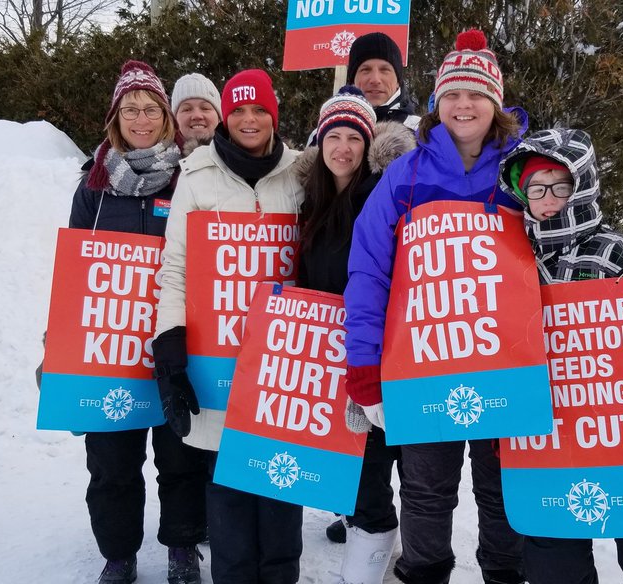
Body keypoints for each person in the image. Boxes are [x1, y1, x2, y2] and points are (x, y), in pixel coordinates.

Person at [342, 30, 528, 584]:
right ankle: (423, 573)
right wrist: (364, 366)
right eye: (452, 95)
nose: (463, 106)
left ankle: (504, 575)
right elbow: (369, 271)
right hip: (424, 363)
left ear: (495, 103)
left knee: (502, 489)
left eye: (475, 95)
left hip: (505, 361)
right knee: (425, 491)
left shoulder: (522, 171)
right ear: (436, 103)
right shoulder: (407, 174)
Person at [497, 128, 623, 584]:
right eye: (535, 188)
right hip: (544, 432)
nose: (548, 199)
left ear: (581, 188)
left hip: (616, 428)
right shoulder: (509, 258)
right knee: (552, 545)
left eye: (558, 186)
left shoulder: (614, 253)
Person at [153, 68, 305, 584]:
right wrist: (170, 344)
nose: (248, 119)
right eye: (238, 110)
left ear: (273, 116)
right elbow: (175, 267)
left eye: (259, 109)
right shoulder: (196, 176)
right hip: (217, 360)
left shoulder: (300, 173)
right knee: (229, 490)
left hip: (283, 360)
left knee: (280, 483)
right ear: (225, 118)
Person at [66, 60, 206, 584]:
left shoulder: (189, 176)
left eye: (151, 109)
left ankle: (182, 547)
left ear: (166, 117)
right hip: (110, 345)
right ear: (115, 118)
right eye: (131, 110)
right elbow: (76, 270)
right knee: (111, 462)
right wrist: (58, 338)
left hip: (175, 341)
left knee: (180, 455)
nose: (141, 119)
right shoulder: (93, 186)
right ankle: (118, 553)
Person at [291, 86, 415, 583]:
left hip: (375, 353)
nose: (343, 148)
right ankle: (376, 541)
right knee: (353, 471)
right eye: (333, 137)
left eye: (354, 138)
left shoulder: (380, 197)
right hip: (330, 351)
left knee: (373, 474)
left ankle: (373, 554)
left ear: (369, 145)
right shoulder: (313, 200)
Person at [171, 72, 221, 154]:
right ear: (175, 119)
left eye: (205, 108)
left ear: (219, 117)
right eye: (187, 109)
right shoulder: (157, 159)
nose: (197, 116)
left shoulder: (238, 156)